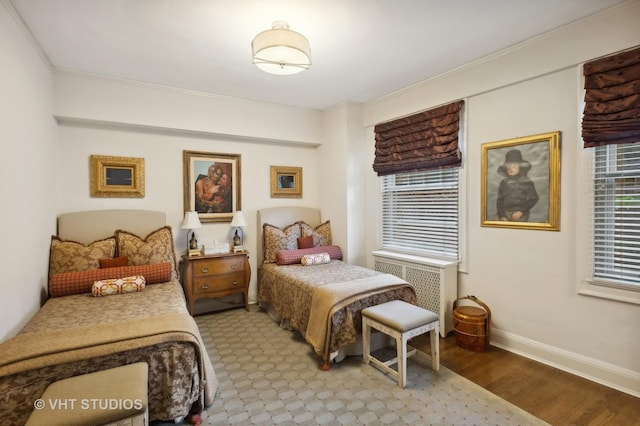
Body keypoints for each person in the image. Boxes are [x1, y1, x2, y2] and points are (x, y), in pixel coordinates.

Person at [495, 149, 539, 222]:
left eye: (514, 165)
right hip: (505, 213)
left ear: (520, 167)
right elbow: (499, 201)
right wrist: (502, 215)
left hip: (521, 213)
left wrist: (521, 211)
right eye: (508, 165)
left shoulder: (526, 181)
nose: (510, 168)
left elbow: (534, 198)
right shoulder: (503, 183)